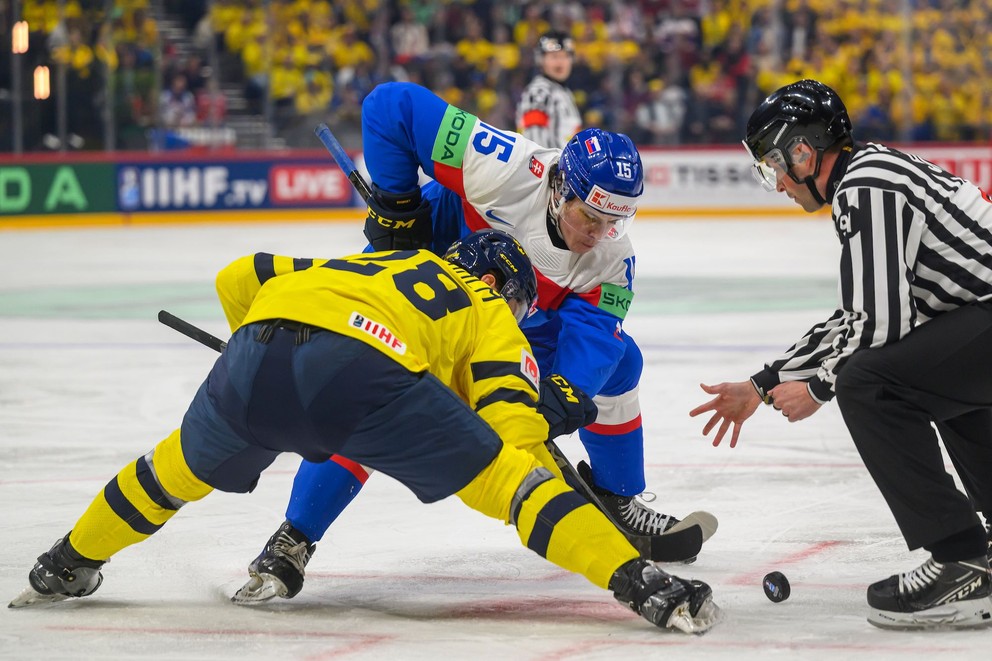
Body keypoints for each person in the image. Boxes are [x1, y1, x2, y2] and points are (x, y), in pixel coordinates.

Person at [8, 229, 719, 634]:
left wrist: (249, 357)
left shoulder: (361, 261)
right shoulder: (489, 307)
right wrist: (552, 414)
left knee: (165, 475)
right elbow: (513, 429)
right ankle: (643, 585)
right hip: (363, 374)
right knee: (516, 483)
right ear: (504, 286)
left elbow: (242, 272)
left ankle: (63, 562)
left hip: (255, 353)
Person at [234, 81, 717, 605]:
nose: (598, 233)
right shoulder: (505, 166)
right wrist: (398, 206)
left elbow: (596, 340)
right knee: (376, 393)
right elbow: (390, 106)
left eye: (615, 221)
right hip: (421, 302)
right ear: (559, 188)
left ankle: (618, 496)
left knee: (623, 362)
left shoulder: (611, 260)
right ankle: (295, 537)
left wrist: (556, 399)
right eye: (590, 216)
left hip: (506, 329)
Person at [689, 79, 992, 630]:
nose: (776, 183)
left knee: (870, 384)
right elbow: (862, 319)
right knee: (935, 374)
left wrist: (821, 386)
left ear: (802, 151)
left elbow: (877, 327)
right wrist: (763, 384)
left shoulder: (867, 187)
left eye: (772, 165)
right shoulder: (873, 174)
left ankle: (960, 557)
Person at [515, 31, 582, 148]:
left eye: (565, 56)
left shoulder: (563, 92)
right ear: (541, 60)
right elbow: (534, 139)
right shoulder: (539, 92)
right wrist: (551, 166)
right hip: (547, 165)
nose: (560, 62)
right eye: (554, 57)